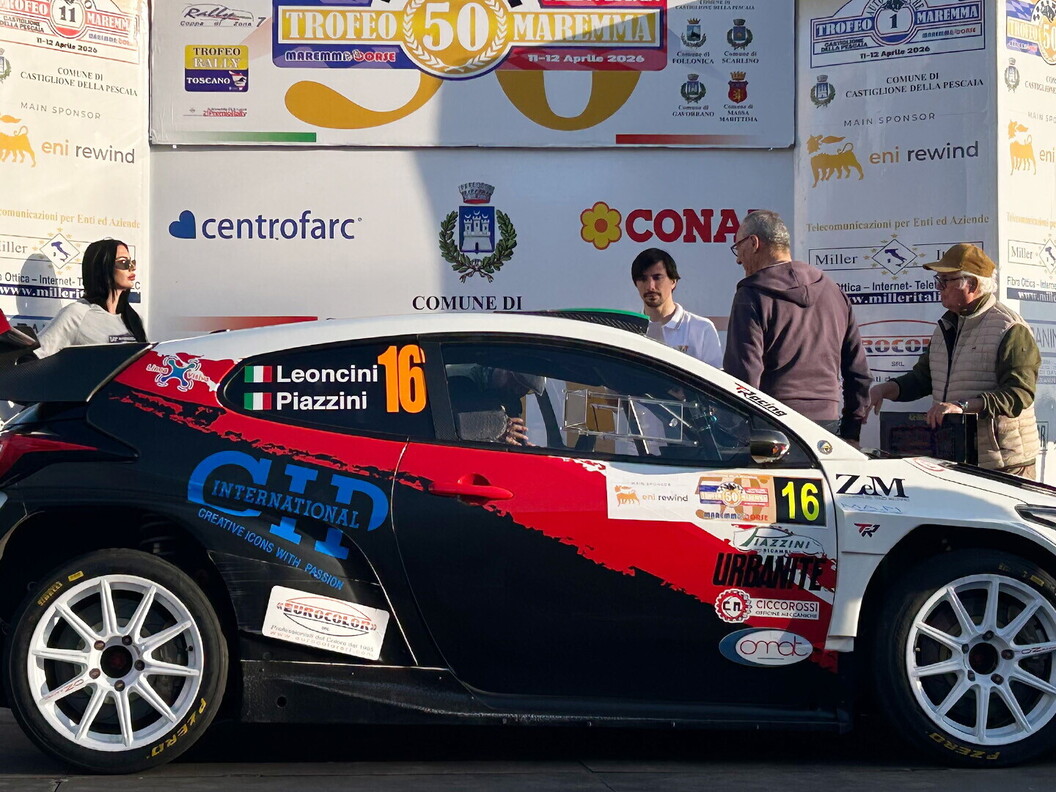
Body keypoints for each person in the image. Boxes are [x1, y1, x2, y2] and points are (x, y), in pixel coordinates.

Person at [867, 243, 1040, 478]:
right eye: (939, 280)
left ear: (973, 284)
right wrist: (885, 389)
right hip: (955, 457)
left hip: (1004, 463)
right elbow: (923, 379)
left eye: (945, 281)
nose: (939, 288)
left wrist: (963, 406)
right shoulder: (946, 326)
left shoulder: (1010, 328)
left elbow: (1020, 394)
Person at [723, 210, 871, 443]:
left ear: (754, 243)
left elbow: (743, 376)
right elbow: (858, 371)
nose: (738, 259)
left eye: (738, 247)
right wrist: (852, 431)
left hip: (772, 427)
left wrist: (738, 435)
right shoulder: (833, 291)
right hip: (827, 426)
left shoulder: (751, 295)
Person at [34, 239, 146, 359]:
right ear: (103, 267)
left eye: (132, 262)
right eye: (123, 262)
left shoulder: (133, 318)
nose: (132, 268)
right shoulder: (76, 313)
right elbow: (33, 357)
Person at [631, 248, 722, 368]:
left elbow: (715, 381)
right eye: (643, 279)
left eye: (657, 277)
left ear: (673, 281)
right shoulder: (629, 331)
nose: (650, 286)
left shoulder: (701, 328)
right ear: (636, 283)